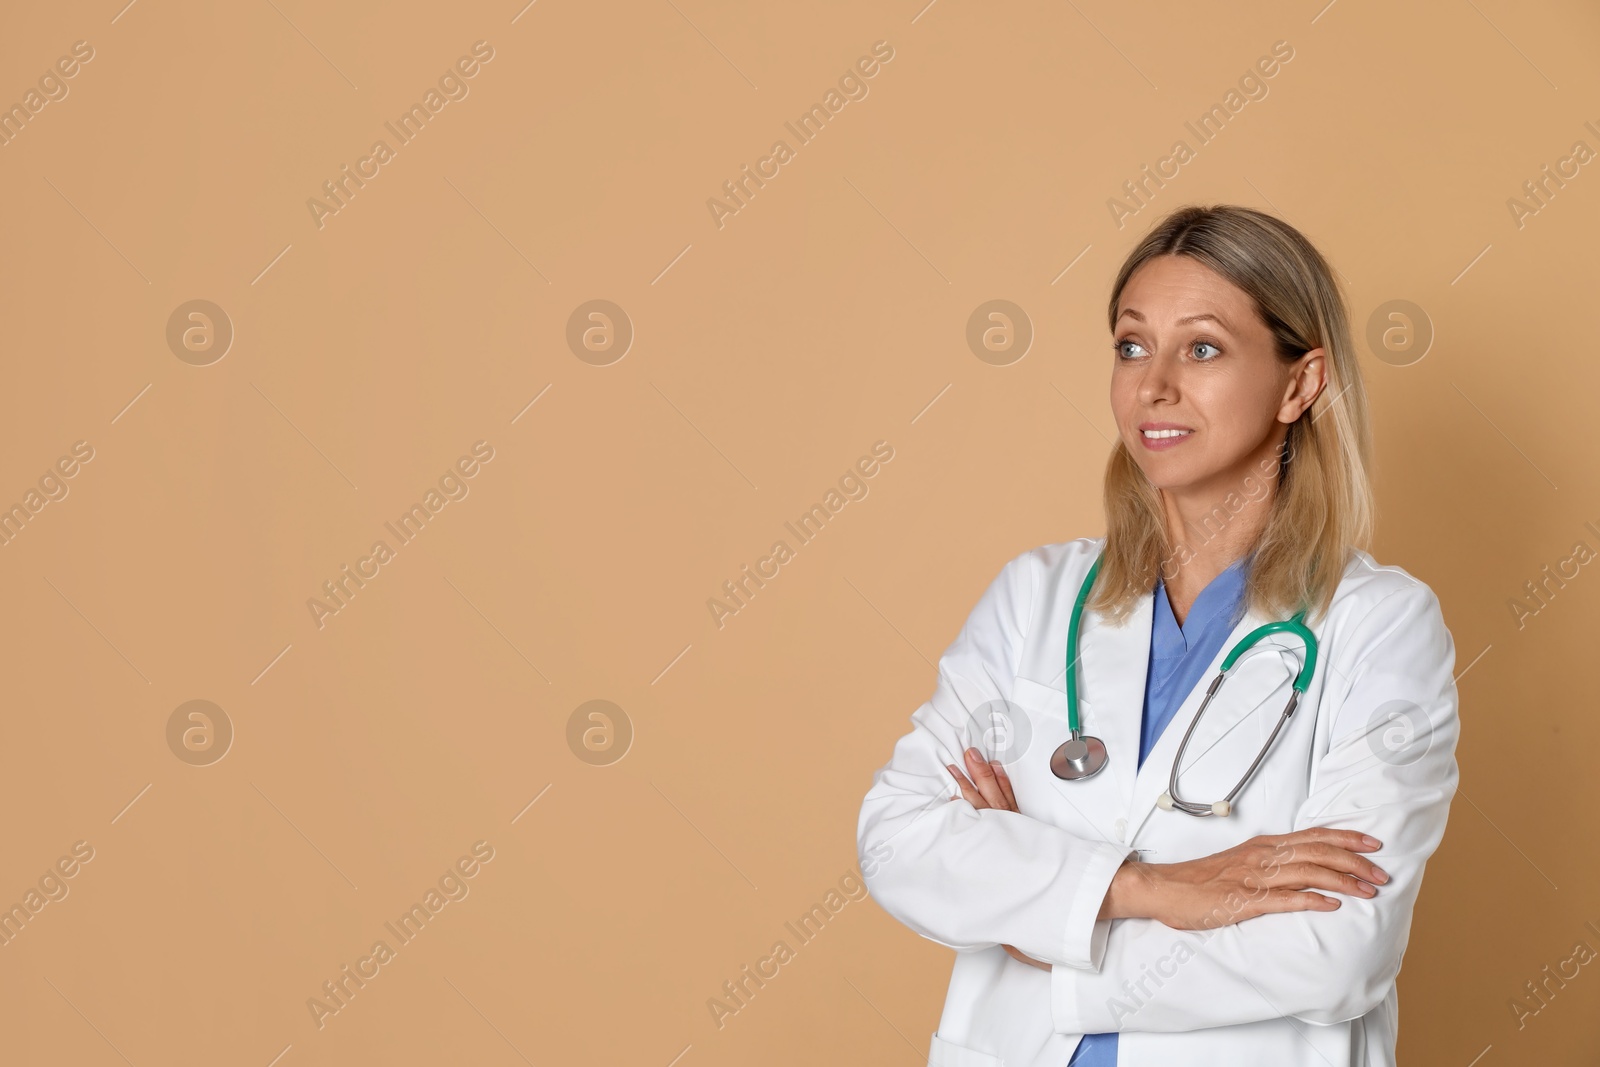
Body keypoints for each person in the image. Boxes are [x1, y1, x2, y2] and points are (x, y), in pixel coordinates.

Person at [856, 204, 1459, 1067]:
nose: (1153, 385)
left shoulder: (1381, 626)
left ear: (1300, 383)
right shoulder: (1037, 597)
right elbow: (898, 838)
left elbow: (1337, 951)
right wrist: (1150, 888)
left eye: (1202, 348)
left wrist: (1046, 932)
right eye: (1132, 345)